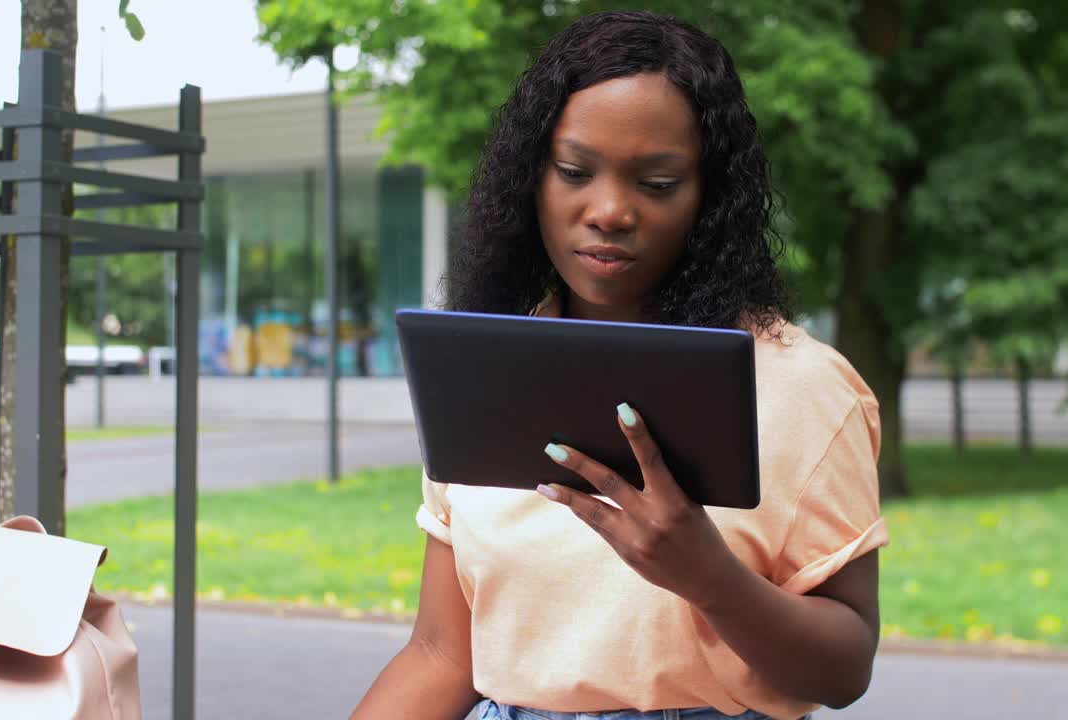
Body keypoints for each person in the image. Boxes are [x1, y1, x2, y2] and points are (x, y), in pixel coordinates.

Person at [354, 10, 887, 720]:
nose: (608, 210)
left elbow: (845, 667)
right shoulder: (486, 372)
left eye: (657, 183)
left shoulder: (804, 388)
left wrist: (709, 578)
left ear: (710, 198)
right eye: (575, 171)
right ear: (531, 179)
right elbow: (442, 656)